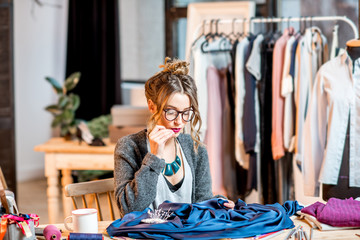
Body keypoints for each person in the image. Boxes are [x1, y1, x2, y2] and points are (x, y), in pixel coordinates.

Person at [114, 57, 235, 217]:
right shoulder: (129, 147)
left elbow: (201, 202)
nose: (179, 121)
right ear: (152, 106)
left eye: (186, 113)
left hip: (187, 234)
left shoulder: (194, 148)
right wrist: (154, 157)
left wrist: (218, 202)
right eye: (171, 112)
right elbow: (129, 210)